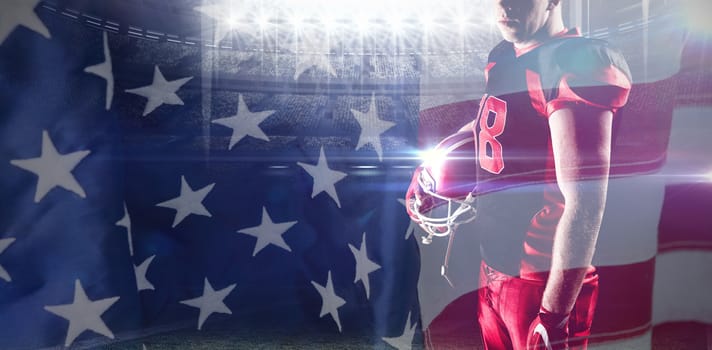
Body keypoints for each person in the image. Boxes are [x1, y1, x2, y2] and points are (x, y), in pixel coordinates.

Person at [450, 0, 630, 348]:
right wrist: (435, 162)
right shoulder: (504, 55)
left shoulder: (575, 64)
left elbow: (586, 202)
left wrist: (554, 313)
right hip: (494, 268)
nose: (502, 5)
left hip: (542, 280)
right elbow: (497, 123)